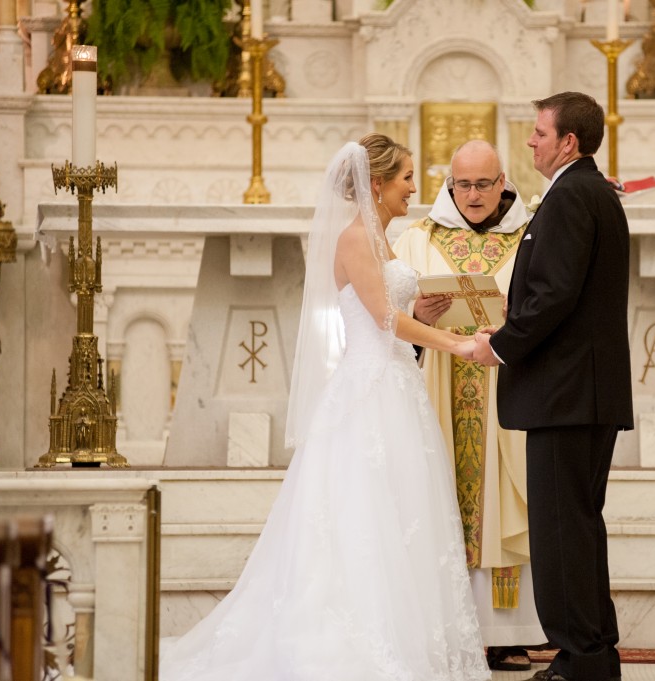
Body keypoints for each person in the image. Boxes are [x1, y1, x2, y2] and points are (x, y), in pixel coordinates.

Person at [159, 134, 491, 681]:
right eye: (407, 177)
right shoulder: (356, 239)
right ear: (378, 185)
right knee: (363, 516)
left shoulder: (385, 239)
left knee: (401, 515)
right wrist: (459, 344)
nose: (416, 188)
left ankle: (404, 639)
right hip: (369, 393)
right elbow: (384, 324)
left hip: (396, 385)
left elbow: (391, 313)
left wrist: (426, 314)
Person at [474, 92, 634, 681]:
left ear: (568, 141)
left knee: (563, 532)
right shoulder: (589, 191)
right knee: (578, 528)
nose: (531, 142)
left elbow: (554, 295)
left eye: (539, 133)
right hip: (582, 392)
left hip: (566, 395)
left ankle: (580, 662)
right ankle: (592, 652)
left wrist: (500, 344)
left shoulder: (572, 195)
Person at [393, 140, 546, 673]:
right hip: (438, 385)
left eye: (484, 184)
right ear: (449, 184)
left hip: (509, 388)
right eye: (464, 184)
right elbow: (388, 319)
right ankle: (449, 631)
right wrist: (421, 314)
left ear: (504, 181)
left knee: (508, 498)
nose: (474, 195)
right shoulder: (416, 239)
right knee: (440, 503)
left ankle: (509, 633)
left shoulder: (532, 238)